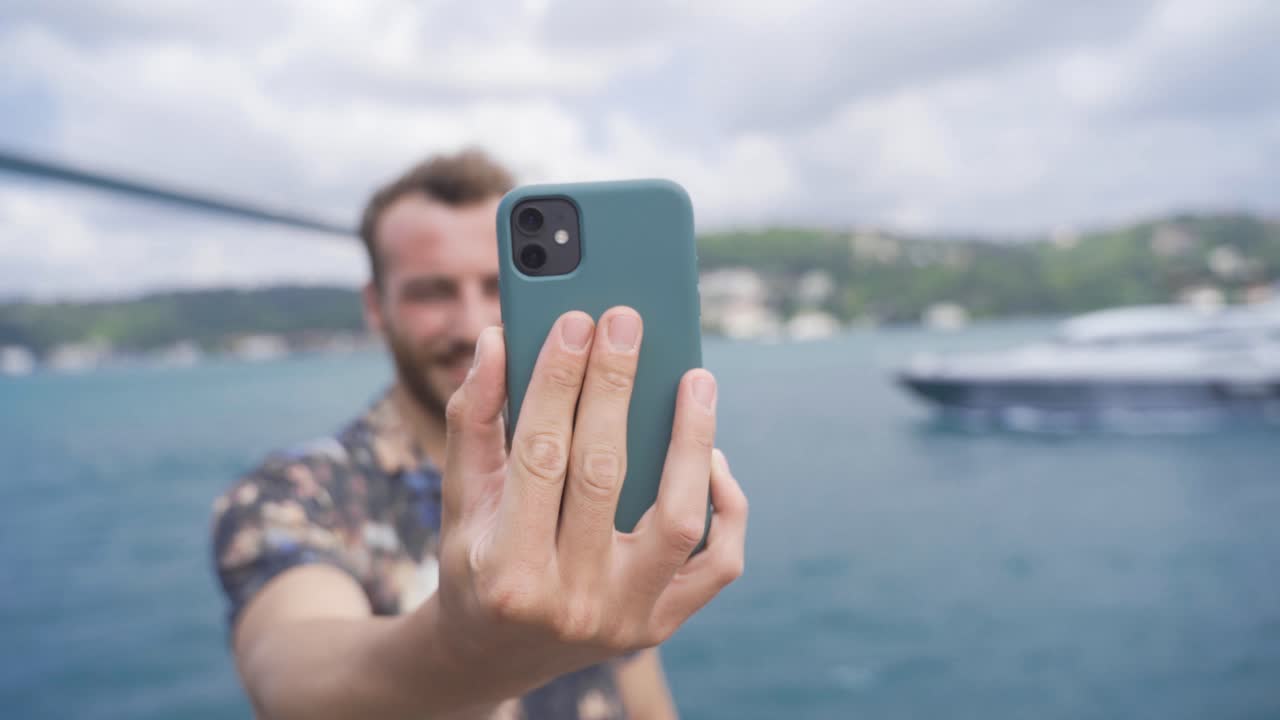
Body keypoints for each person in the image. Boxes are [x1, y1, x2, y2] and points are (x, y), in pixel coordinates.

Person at [210, 149, 749, 720]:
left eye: (499, 285)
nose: (470, 324)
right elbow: (289, 675)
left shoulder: (588, 469)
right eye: (431, 292)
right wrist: (463, 648)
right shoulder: (299, 493)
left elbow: (635, 680)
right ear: (377, 305)